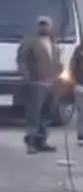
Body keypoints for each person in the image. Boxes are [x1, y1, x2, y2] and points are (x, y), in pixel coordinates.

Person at [16, 16, 60, 154]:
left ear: (50, 26)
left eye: (46, 24)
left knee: (47, 115)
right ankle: (31, 143)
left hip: (51, 83)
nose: (43, 27)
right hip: (36, 84)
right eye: (41, 24)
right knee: (33, 115)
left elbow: (56, 61)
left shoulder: (53, 42)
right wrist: (27, 78)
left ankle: (42, 141)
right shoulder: (29, 41)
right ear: (37, 26)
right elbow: (21, 60)